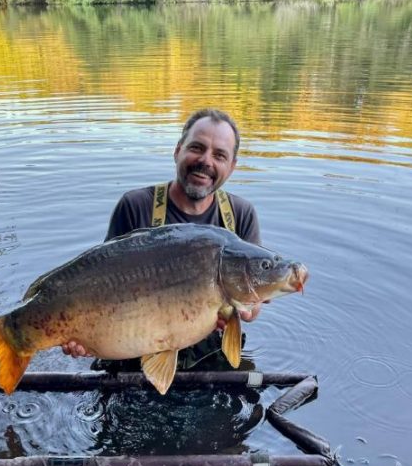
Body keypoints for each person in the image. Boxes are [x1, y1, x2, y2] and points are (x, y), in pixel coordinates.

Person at [62, 108, 264, 369]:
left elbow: (253, 304)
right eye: (196, 148)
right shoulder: (135, 206)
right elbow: (102, 287)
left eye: (219, 155)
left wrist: (247, 309)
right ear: (178, 150)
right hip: (133, 345)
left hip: (208, 359)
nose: (206, 161)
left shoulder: (240, 215)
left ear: (232, 166)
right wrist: (83, 334)